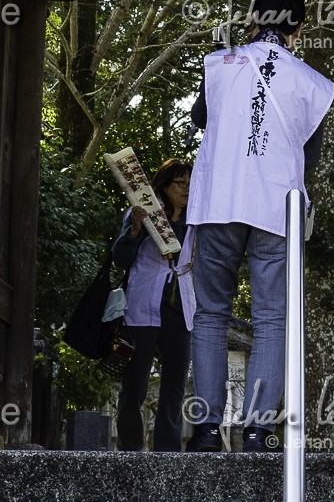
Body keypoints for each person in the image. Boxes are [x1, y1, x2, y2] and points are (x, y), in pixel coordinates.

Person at [184, 0, 334, 453]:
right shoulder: (313, 84)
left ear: (252, 19)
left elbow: (200, 119)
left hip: (220, 202)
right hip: (277, 205)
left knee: (211, 312)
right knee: (271, 318)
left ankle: (207, 429)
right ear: (298, 28)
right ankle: (257, 430)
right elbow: (309, 155)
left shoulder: (218, 65)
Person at [110, 157, 196, 452]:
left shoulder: (197, 220)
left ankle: (167, 452)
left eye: (189, 183)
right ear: (163, 184)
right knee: (135, 383)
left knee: (175, 385)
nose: (185, 188)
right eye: (179, 183)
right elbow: (120, 258)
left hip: (180, 308)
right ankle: (130, 447)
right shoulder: (144, 213)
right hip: (142, 305)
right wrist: (134, 230)